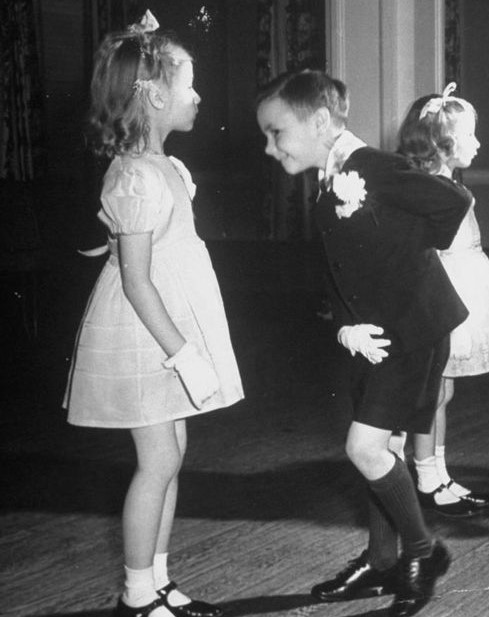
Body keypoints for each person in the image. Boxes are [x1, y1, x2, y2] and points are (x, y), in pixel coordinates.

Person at [256, 70, 469, 617]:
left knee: (365, 448)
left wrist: (405, 263)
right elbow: (339, 265)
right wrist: (343, 326)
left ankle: (424, 553)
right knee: (384, 448)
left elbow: (452, 201)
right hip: (369, 335)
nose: (268, 145)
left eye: (276, 132)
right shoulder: (330, 177)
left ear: (320, 122)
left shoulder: (370, 166)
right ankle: (380, 560)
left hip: (412, 327)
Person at [63, 11, 244, 617]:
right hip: (148, 332)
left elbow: (133, 246)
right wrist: (185, 354)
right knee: (158, 459)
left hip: (168, 321)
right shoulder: (137, 175)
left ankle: (158, 581)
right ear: (157, 95)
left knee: (173, 454)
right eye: (190, 85)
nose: (198, 96)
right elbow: (138, 282)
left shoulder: (167, 168)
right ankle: (137, 595)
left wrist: (110, 240)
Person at [396, 84, 489, 517]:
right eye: (470, 136)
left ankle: (437, 473)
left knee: (443, 390)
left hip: (463, 285)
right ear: (443, 144)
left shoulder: (448, 183)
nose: (477, 143)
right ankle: (425, 477)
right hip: (442, 292)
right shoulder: (429, 189)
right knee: (431, 391)